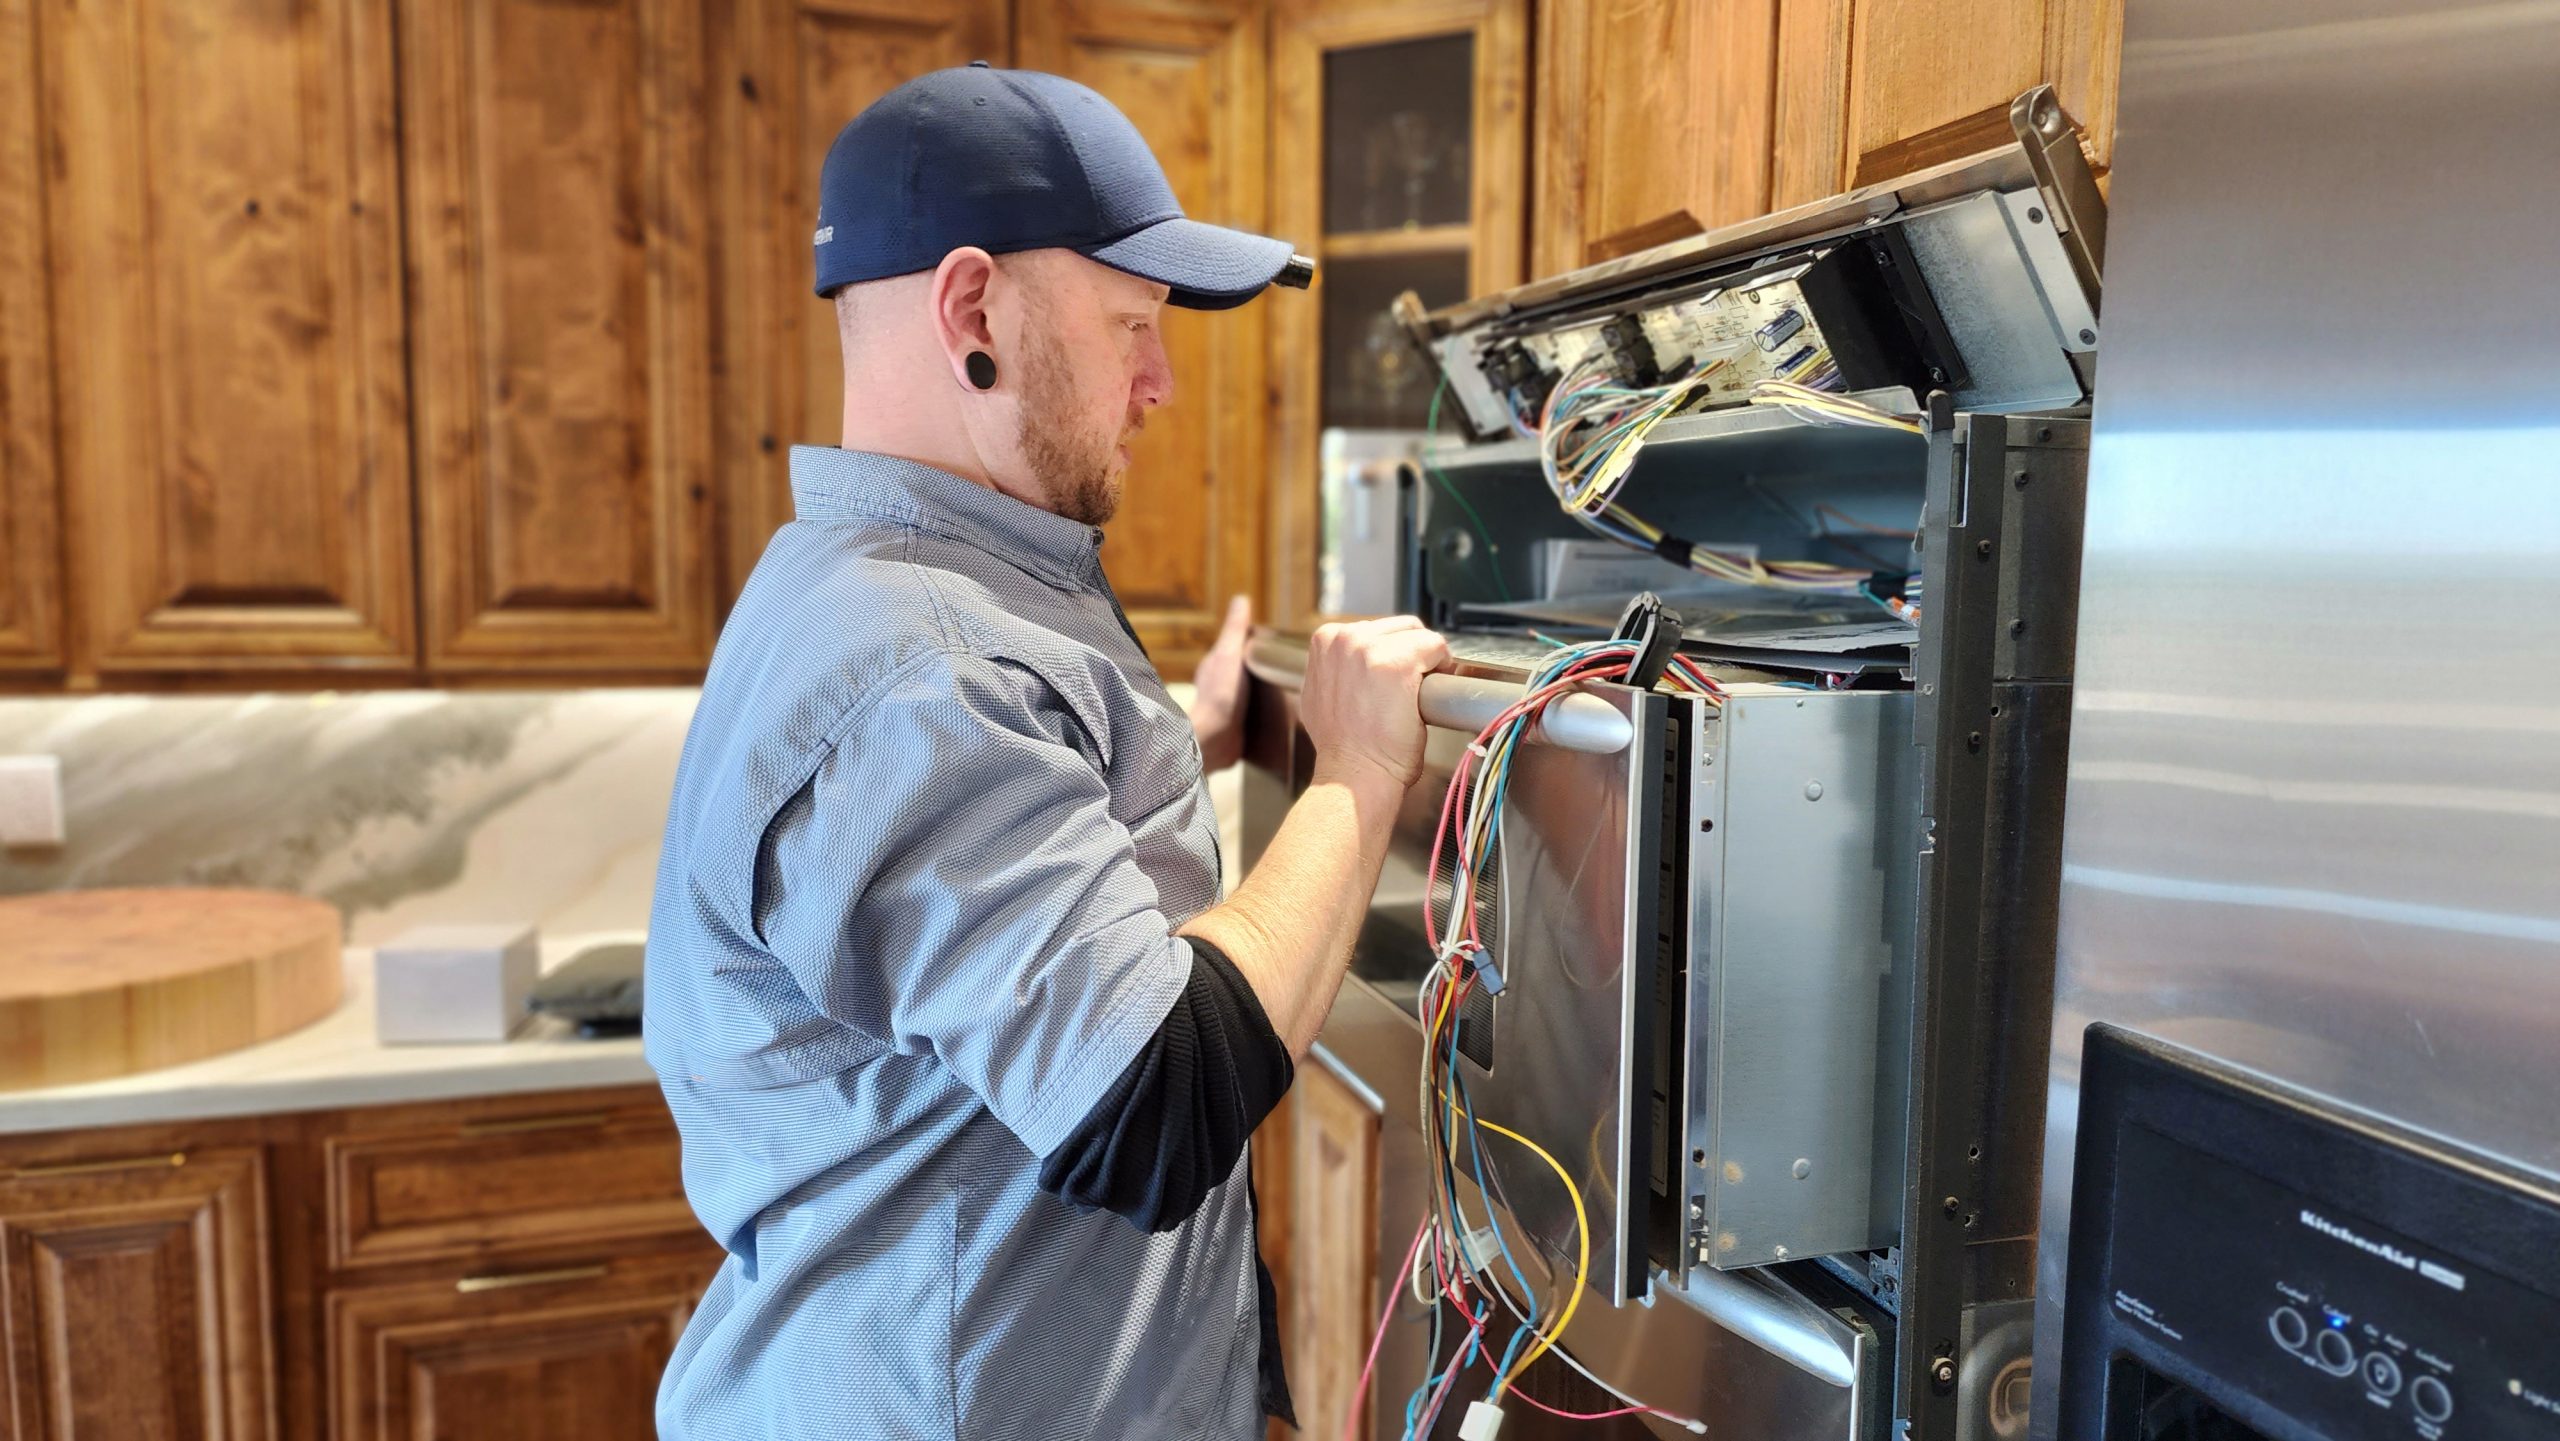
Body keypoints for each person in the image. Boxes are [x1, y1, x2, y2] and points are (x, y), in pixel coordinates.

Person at [644, 63, 1450, 1440]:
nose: (1162, 383)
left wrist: (1160, 756)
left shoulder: (906, 583)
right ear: (973, 313)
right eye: (1133, 323)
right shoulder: (923, 663)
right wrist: (1358, 773)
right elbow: (1152, 1098)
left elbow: (986, 859)